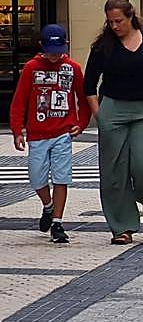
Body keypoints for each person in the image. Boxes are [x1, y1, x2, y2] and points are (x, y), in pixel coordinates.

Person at [84, 0, 143, 245]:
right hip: (113, 109)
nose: (115, 26)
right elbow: (89, 84)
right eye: (110, 22)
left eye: (119, 21)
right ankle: (121, 226)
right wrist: (99, 114)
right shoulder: (103, 46)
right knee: (114, 172)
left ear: (131, 16)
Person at [10, 24, 89, 244]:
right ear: (42, 47)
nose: (55, 55)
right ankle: (48, 205)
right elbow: (20, 101)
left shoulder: (72, 68)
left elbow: (83, 98)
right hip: (37, 133)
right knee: (36, 177)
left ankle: (57, 223)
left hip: (63, 132)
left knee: (62, 177)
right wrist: (18, 131)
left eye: (59, 50)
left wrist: (81, 123)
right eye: (50, 50)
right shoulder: (31, 68)